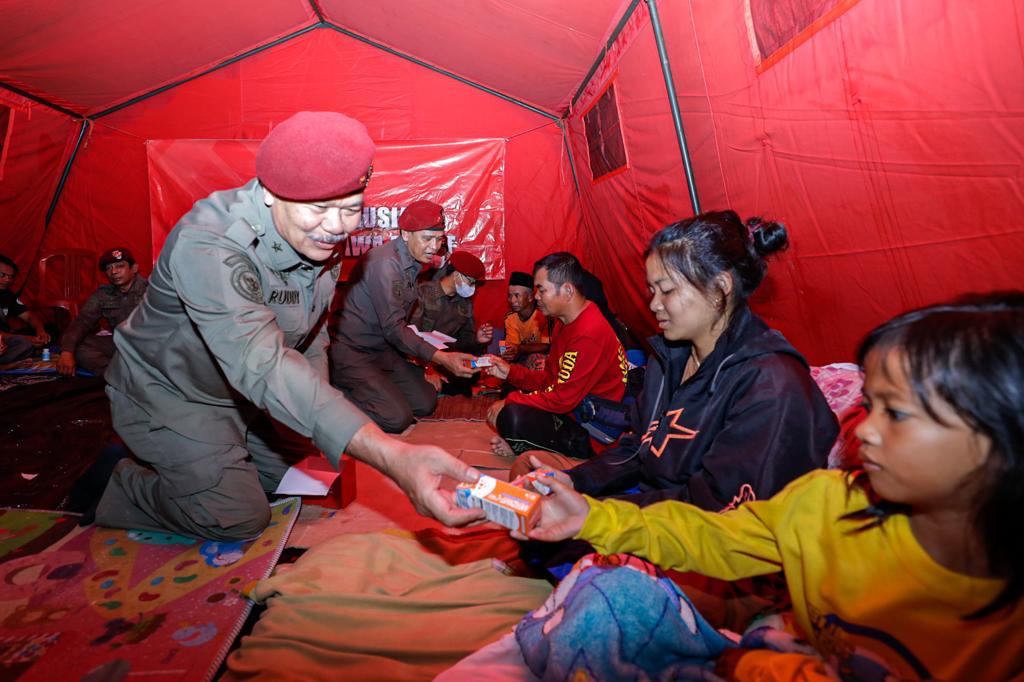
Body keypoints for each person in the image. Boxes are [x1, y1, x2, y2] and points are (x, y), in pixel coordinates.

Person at [519, 294, 1024, 680]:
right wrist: (593, 515)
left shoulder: (767, 382)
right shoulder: (825, 502)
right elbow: (715, 534)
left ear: (1001, 438)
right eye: (868, 405)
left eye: (896, 413)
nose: (864, 429)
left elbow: (710, 494)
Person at [75, 112, 484, 542]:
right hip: (175, 395)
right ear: (271, 194)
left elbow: (312, 334)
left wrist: (315, 415)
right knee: (237, 517)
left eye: (350, 210)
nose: (336, 227)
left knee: (311, 477)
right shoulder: (211, 241)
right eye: (319, 209)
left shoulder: (320, 237)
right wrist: (393, 456)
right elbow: (262, 362)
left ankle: (214, 463)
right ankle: (118, 483)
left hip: (245, 398)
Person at [513, 212, 838, 510]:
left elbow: (716, 510)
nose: (654, 305)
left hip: (706, 530)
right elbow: (638, 447)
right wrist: (576, 480)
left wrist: (600, 516)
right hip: (655, 502)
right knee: (531, 477)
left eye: (666, 290)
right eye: (651, 291)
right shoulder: (670, 357)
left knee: (547, 521)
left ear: (719, 288)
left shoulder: (771, 385)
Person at [329, 201, 478, 432]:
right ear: (406, 234)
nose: (434, 247)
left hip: (384, 351)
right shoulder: (386, 264)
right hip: (354, 352)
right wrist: (441, 358)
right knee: (397, 418)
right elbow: (393, 328)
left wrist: (426, 362)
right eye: (427, 238)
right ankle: (329, 395)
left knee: (425, 402)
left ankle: (376, 389)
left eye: (439, 239)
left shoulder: (411, 262)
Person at [483, 252, 628, 460]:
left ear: (567, 290)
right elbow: (550, 379)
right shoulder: (565, 321)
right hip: (571, 406)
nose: (536, 297)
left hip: (591, 430)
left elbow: (562, 399)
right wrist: (510, 372)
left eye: (541, 290)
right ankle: (525, 441)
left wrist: (510, 401)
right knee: (511, 392)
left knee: (512, 415)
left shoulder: (588, 333)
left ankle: (527, 444)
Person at [408, 250, 493, 395]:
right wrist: (427, 369)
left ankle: (441, 385)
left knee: (472, 373)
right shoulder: (423, 294)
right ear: (456, 275)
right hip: (419, 358)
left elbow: (463, 342)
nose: (473, 287)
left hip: (446, 360)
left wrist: (477, 340)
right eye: (471, 282)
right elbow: (409, 337)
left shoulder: (465, 304)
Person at [55, 247, 148, 379]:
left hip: (150, 345)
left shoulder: (151, 290)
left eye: (120, 266)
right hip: (121, 344)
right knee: (78, 345)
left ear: (134, 268)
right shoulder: (103, 294)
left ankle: (133, 374)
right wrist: (66, 352)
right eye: (108, 268)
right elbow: (82, 321)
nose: (114, 271)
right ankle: (121, 376)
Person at [0, 254, 51, 363]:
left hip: (8, 341)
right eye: (2, 275)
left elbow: (29, 316)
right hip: (3, 340)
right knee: (23, 343)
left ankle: (27, 351)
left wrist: (40, 331)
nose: (7, 279)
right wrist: (27, 339)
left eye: (11, 276)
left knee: (50, 330)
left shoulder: (7, 295)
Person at [501, 270, 549, 370]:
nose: (512, 300)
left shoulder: (543, 314)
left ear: (530, 297)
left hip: (543, 358)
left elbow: (547, 346)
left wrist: (520, 349)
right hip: (522, 357)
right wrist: (510, 353)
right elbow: (513, 347)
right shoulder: (510, 318)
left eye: (517, 295)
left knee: (535, 359)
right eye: (510, 296)